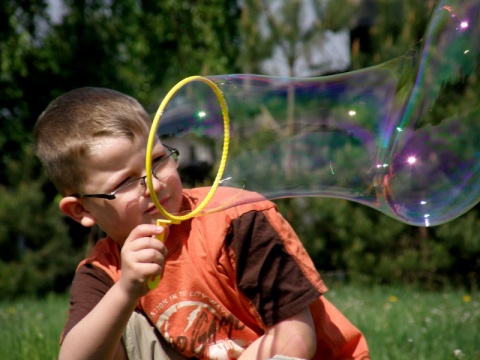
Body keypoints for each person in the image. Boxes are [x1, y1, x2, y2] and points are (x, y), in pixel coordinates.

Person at [34, 87, 369, 360]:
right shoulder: (103, 272)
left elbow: (295, 339)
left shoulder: (237, 219)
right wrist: (125, 292)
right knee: (112, 322)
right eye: (125, 182)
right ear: (81, 210)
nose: (154, 184)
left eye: (157, 161)